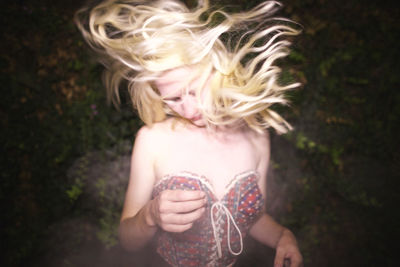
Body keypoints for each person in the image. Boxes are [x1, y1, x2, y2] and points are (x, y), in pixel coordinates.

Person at [75, 0, 303, 266]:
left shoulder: (255, 135)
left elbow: (254, 218)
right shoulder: (152, 140)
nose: (188, 108)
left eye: (194, 90)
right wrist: (150, 216)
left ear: (216, 69)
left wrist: (283, 237)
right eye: (172, 98)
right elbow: (127, 238)